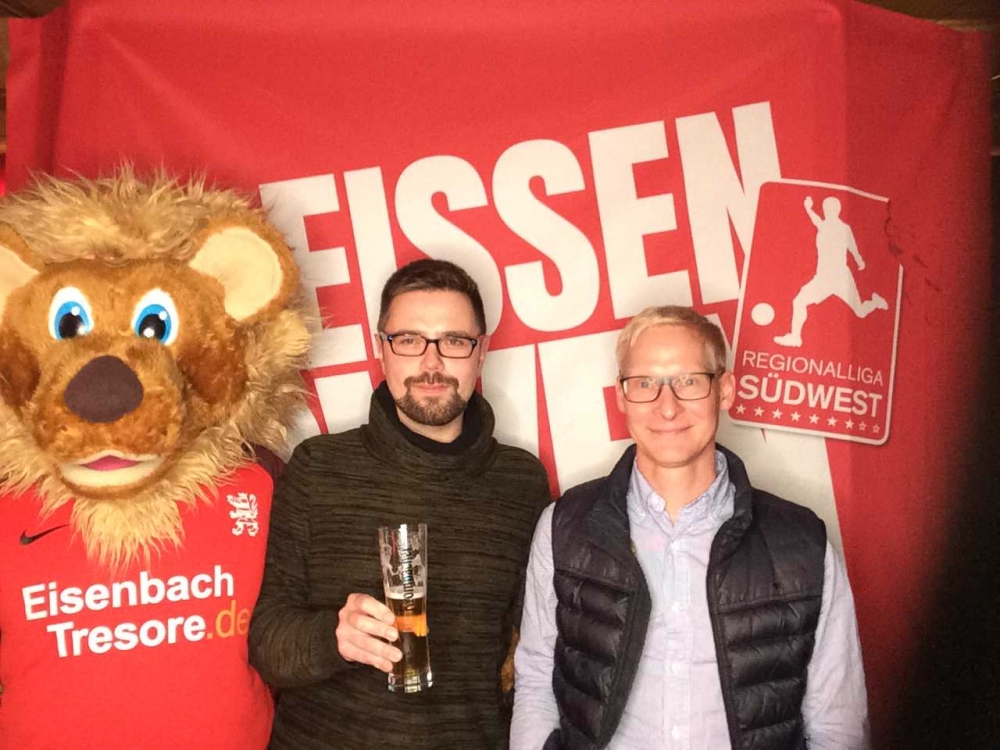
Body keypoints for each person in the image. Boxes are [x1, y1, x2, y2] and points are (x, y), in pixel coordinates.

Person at [511, 305, 869, 749]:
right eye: (645, 383)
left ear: (725, 390)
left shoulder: (802, 544)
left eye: (689, 381)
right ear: (621, 396)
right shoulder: (564, 527)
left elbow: (838, 726)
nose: (667, 407)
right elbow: (536, 683)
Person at [249, 258, 551, 749]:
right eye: (409, 340)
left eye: (454, 341)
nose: (431, 364)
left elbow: (540, 653)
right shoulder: (318, 467)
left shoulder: (521, 483)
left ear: (481, 352)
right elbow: (265, 642)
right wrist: (334, 637)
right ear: (381, 349)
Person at [774, 195, 888, 348]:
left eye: (829, 208)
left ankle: (875, 302)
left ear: (837, 210)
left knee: (860, 311)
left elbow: (853, 247)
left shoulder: (843, 228)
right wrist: (808, 208)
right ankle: (795, 337)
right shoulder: (823, 225)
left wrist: (859, 260)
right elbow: (816, 220)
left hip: (840, 276)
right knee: (799, 301)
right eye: (825, 208)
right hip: (823, 277)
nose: (826, 211)